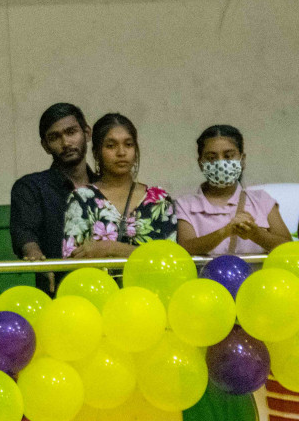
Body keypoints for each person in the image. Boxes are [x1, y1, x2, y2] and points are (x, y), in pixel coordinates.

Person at [63, 113, 178, 258]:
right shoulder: (82, 199)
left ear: (135, 151)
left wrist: (112, 248)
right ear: (96, 153)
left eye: (128, 144)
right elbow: (72, 259)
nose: (121, 152)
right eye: (111, 146)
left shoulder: (159, 200)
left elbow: (171, 258)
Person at [174, 125, 292, 256]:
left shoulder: (262, 200)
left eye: (229, 156)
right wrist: (224, 232)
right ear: (201, 163)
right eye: (212, 158)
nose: (221, 163)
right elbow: (184, 249)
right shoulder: (184, 206)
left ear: (242, 160)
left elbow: (290, 249)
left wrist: (256, 234)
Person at [10, 103, 91, 293]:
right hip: (55, 297)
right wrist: (34, 255)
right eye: (55, 137)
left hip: (107, 293)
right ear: (45, 146)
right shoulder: (31, 187)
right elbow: (24, 232)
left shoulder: (105, 186)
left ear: (87, 133)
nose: (66, 143)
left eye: (71, 132)